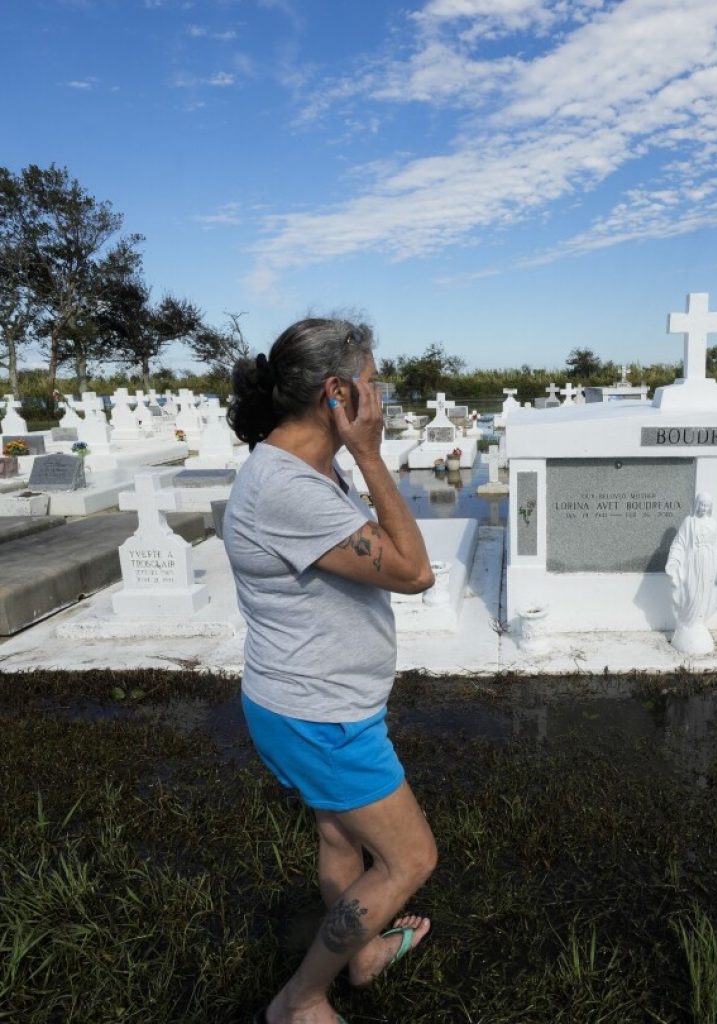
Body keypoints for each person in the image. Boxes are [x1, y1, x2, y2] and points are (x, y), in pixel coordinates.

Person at [223, 317, 438, 1024]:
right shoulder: (286, 484)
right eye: (372, 384)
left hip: (320, 701)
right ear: (336, 393)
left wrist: (353, 454)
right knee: (409, 861)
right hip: (320, 717)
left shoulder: (307, 462)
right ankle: (299, 999)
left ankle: (362, 955)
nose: (380, 396)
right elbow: (412, 570)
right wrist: (373, 456)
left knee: (342, 838)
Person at [664, 491, 717, 655]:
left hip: (709, 564)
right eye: (701, 504)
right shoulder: (689, 522)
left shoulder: (713, 523)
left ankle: (698, 623)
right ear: (697, 504)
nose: (703, 508)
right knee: (691, 593)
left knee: (705, 593)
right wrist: (674, 560)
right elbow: (679, 543)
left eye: (707, 505)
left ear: (710, 507)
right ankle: (687, 623)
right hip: (693, 563)